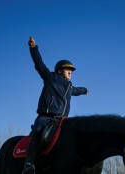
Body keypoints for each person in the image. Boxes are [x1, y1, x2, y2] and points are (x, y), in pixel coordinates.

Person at [22, 36, 89, 174]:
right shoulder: (50, 78)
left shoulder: (70, 87)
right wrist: (33, 48)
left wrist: (84, 90)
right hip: (46, 117)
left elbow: (76, 90)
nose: (70, 71)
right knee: (39, 129)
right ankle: (29, 163)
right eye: (67, 69)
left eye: (71, 70)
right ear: (59, 70)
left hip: (62, 120)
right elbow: (39, 64)